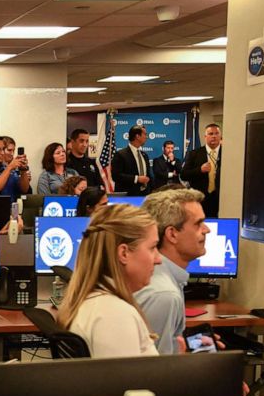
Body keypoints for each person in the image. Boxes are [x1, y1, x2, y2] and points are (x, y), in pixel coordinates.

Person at [56, 203, 161, 358]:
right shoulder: (114, 315)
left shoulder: (96, 303)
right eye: (152, 248)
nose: (158, 259)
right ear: (124, 253)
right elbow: (123, 382)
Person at [134, 188, 210, 354]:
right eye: (198, 224)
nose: (206, 230)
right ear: (172, 234)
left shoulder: (165, 278)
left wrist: (194, 345)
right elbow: (154, 373)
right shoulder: (163, 295)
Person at [182, 123, 223, 218]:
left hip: (221, 197)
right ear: (205, 137)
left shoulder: (227, 153)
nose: (214, 136)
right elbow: (183, 175)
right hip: (200, 198)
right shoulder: (194, 154)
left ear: (220, 136)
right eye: (211, 134)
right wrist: (199, 170)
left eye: (216, 133)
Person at [111, 125, 151, 196]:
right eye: (145, 134)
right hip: (128, 196)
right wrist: (136, 179)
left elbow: (148, 175)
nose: (146, 137)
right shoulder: (120, 154)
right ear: (137, 136)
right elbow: (116, 176)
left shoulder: (144, 155)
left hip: (145, 195)